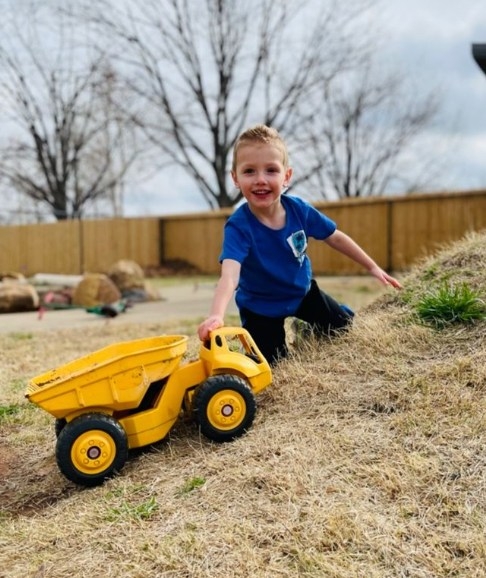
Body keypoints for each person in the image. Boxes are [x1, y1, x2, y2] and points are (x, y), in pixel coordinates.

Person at [198, 124, 402, 364]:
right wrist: (216, 315)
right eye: (249, 171)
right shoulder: (239, 226)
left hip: (301, 293)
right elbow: (229, 276)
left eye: (271, 170)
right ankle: (269, 346)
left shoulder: (299, 211)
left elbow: (335, 236)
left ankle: (310, 326)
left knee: (344, 327)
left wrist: (372, 267)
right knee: (272, 365)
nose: (260, 179)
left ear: (286, 176)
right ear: (235, 178)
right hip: (260, 307)